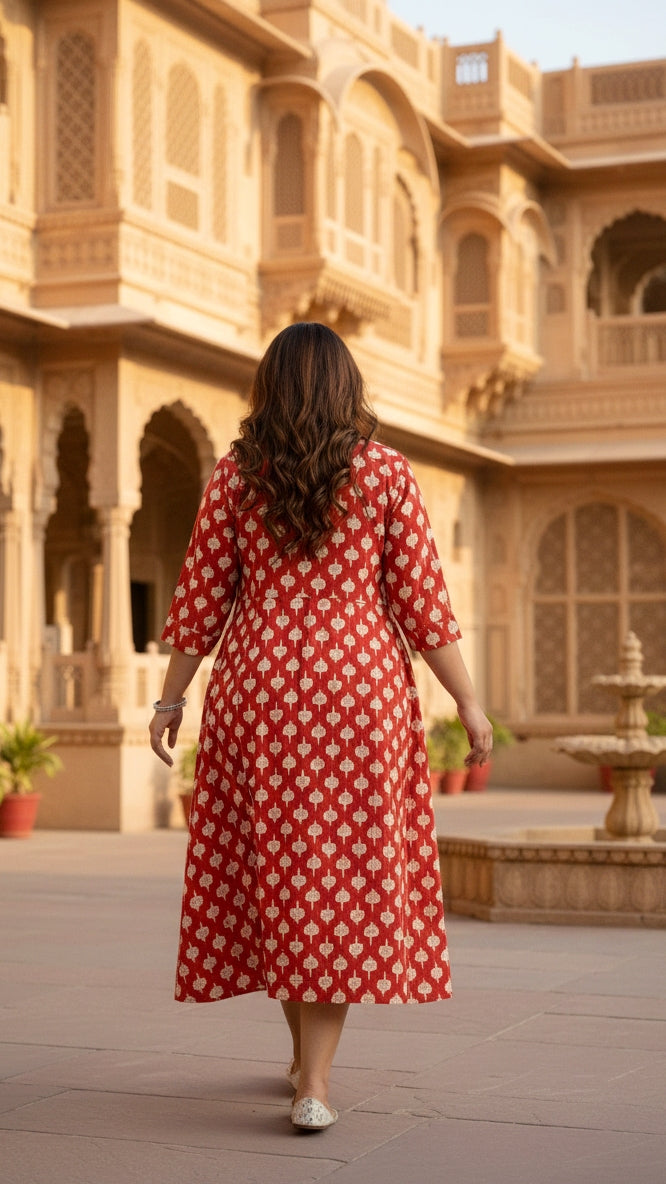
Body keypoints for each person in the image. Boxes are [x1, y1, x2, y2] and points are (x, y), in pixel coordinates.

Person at [149, 322, 492, 1132]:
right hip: (359, 693)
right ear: (347, 386)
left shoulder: (235, 477)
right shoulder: (385, 475)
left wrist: (171, 701)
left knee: (280, 871)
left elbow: (199, 603)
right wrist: (468, 702)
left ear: (269, 387)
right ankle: (316, 1084)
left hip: (257, 691)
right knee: (336, 880)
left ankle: (307, 1065)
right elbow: (424, 608)